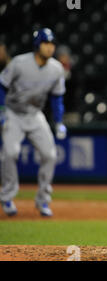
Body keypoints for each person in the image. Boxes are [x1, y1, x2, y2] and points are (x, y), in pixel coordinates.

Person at [0, 28, 67, 217]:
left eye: (52, 44)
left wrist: (59, 120)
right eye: (46, 43)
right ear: (38, 45)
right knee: (10, 153)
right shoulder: (19, 63)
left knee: (50, 155)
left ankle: (43, 201)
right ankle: (7, 197)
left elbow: (57, 98)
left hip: (35, 114)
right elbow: (2, 86)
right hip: (14, 113)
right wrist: (2, 110)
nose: (50, 47)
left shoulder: (56, 68)